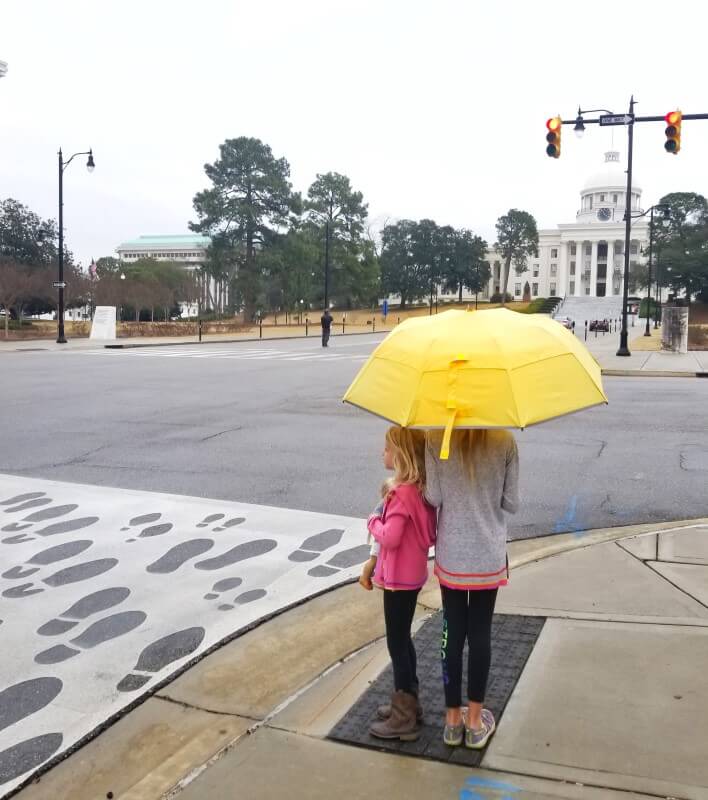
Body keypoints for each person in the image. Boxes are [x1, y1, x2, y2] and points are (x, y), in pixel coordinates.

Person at [425, 429, 519, 750]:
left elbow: (433, 498)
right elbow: (511, 502)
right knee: (480, 633)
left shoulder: (436, 438)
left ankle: (452, 722)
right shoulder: (504, 441)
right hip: (487, 556)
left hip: (452, 554)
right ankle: (476, 723)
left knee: (452, 631)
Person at [358, 427, 436, 741]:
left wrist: (372, 521)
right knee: (403, 640)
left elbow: (390, 537)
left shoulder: (401, 494)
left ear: (401, 456)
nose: (383, 454)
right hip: (411, 577)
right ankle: (408, 702)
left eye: (387, 449)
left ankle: (404, 717)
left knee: (397, 643)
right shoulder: (418, 490)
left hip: (398, 581)